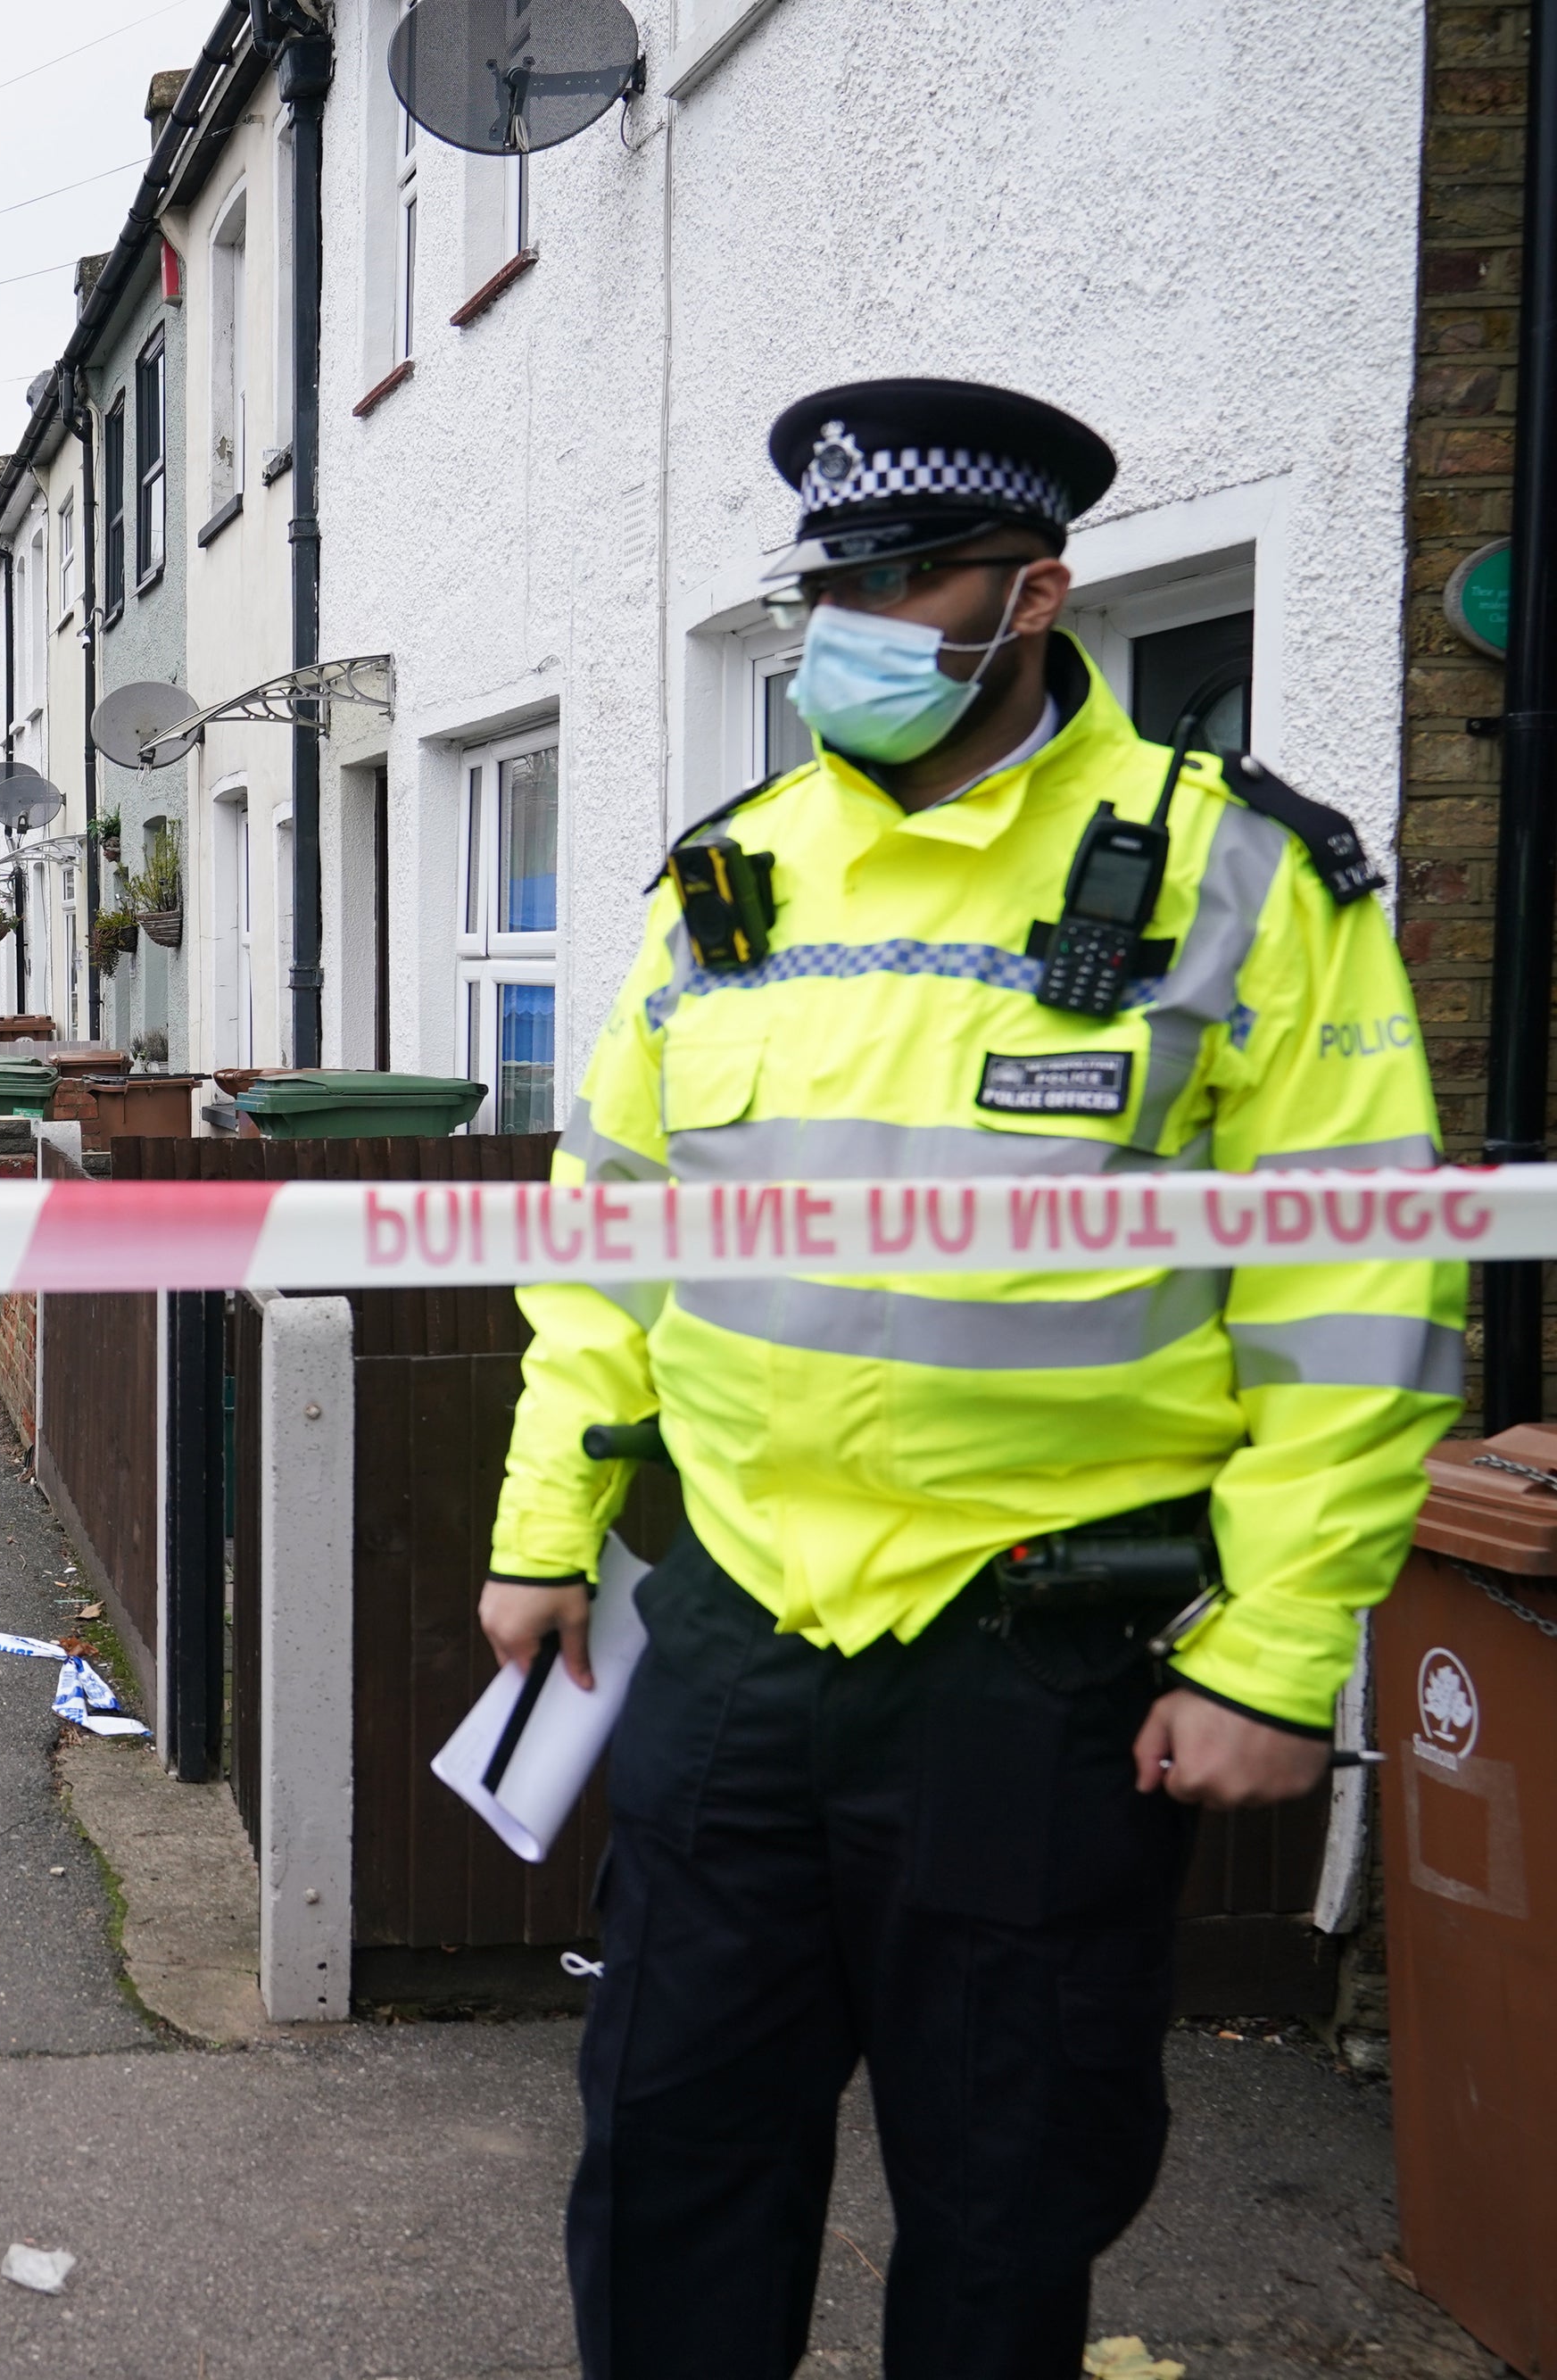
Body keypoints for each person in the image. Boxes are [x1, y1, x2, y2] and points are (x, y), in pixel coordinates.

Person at [480, 378, 1456, 2375]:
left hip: (1036, 1657)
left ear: (1033, 596)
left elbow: (1354, 1290)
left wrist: (1272, 1655)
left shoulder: (1234, 875)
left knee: (1009, 2203)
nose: (839, 624)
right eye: (820, 583)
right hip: (739, 1634)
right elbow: (608, 1245)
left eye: (894, 579)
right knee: (664, 2168)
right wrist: (542, 1528)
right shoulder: (723, 883)